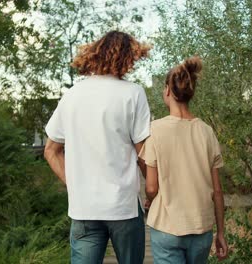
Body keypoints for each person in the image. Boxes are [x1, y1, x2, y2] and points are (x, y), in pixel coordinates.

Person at [44, 31, 151, 264]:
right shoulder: (133, 93)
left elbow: (50, 150)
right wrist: (153, 191)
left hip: (84, 208)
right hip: (124, 208)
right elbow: (145, 155)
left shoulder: (71, 95)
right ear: (128, 57)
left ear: (95, 54)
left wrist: (74, 183)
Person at [139, 56, 228, 263]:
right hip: (201, 229)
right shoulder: (207, 132)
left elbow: (151, 187)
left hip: (166, 228)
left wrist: (151, 200)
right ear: (191, 92)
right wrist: (221, 233)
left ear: (168, 91)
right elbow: (217, 191)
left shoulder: (156, 130)